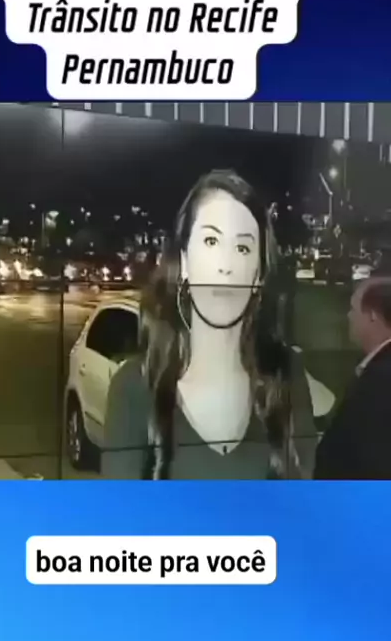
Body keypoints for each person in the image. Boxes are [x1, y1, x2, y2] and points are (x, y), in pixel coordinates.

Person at [102, 169, 319, 480]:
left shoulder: (287, 376)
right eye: (211, 240)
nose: (225, 265)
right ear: (185, 263)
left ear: (258, 275)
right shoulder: (133, 388)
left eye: (242, 248)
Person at [314, 276, 391, 480]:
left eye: (353, 309)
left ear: (372, 315)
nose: (348, 316)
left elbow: (372, 459)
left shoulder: (382, 378)